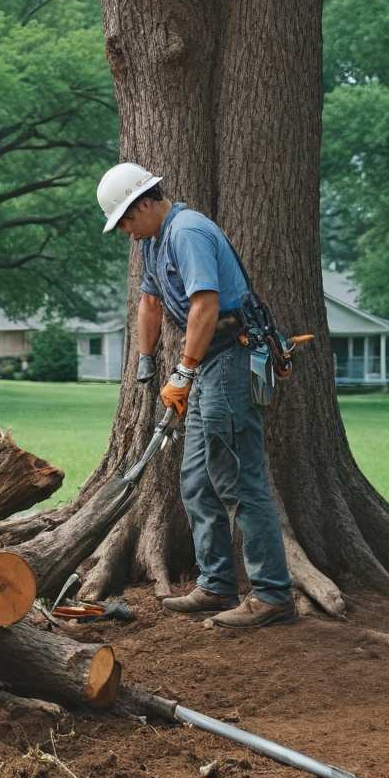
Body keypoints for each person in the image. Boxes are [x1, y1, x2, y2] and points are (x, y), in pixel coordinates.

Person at [97, 163, 296, 630]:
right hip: (206, 362)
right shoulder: (153, 241)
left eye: (126, 221)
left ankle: (272, 595)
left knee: (240, 479)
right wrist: (147, 360)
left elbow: (205, 306)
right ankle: (216, 584)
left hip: (228, 356)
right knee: (196, 480)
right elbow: (149, 301)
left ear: (145, 203)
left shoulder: (186, 231)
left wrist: (182, 371)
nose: (126, 233)